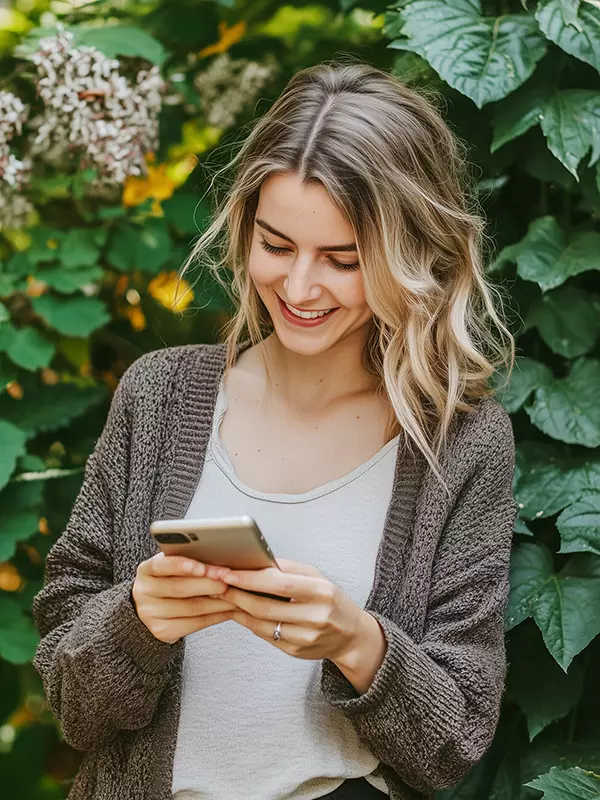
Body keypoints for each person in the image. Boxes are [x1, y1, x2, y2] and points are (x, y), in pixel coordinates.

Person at [31, 59, 518, 800]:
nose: (297, 288)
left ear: (411, 256)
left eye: (342, 260)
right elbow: (71, 702)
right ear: (243, 227)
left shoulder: (462, 443)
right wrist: (137, 619)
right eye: (277, 245)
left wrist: (358, 642)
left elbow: (452, 743)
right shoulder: (159, 395)